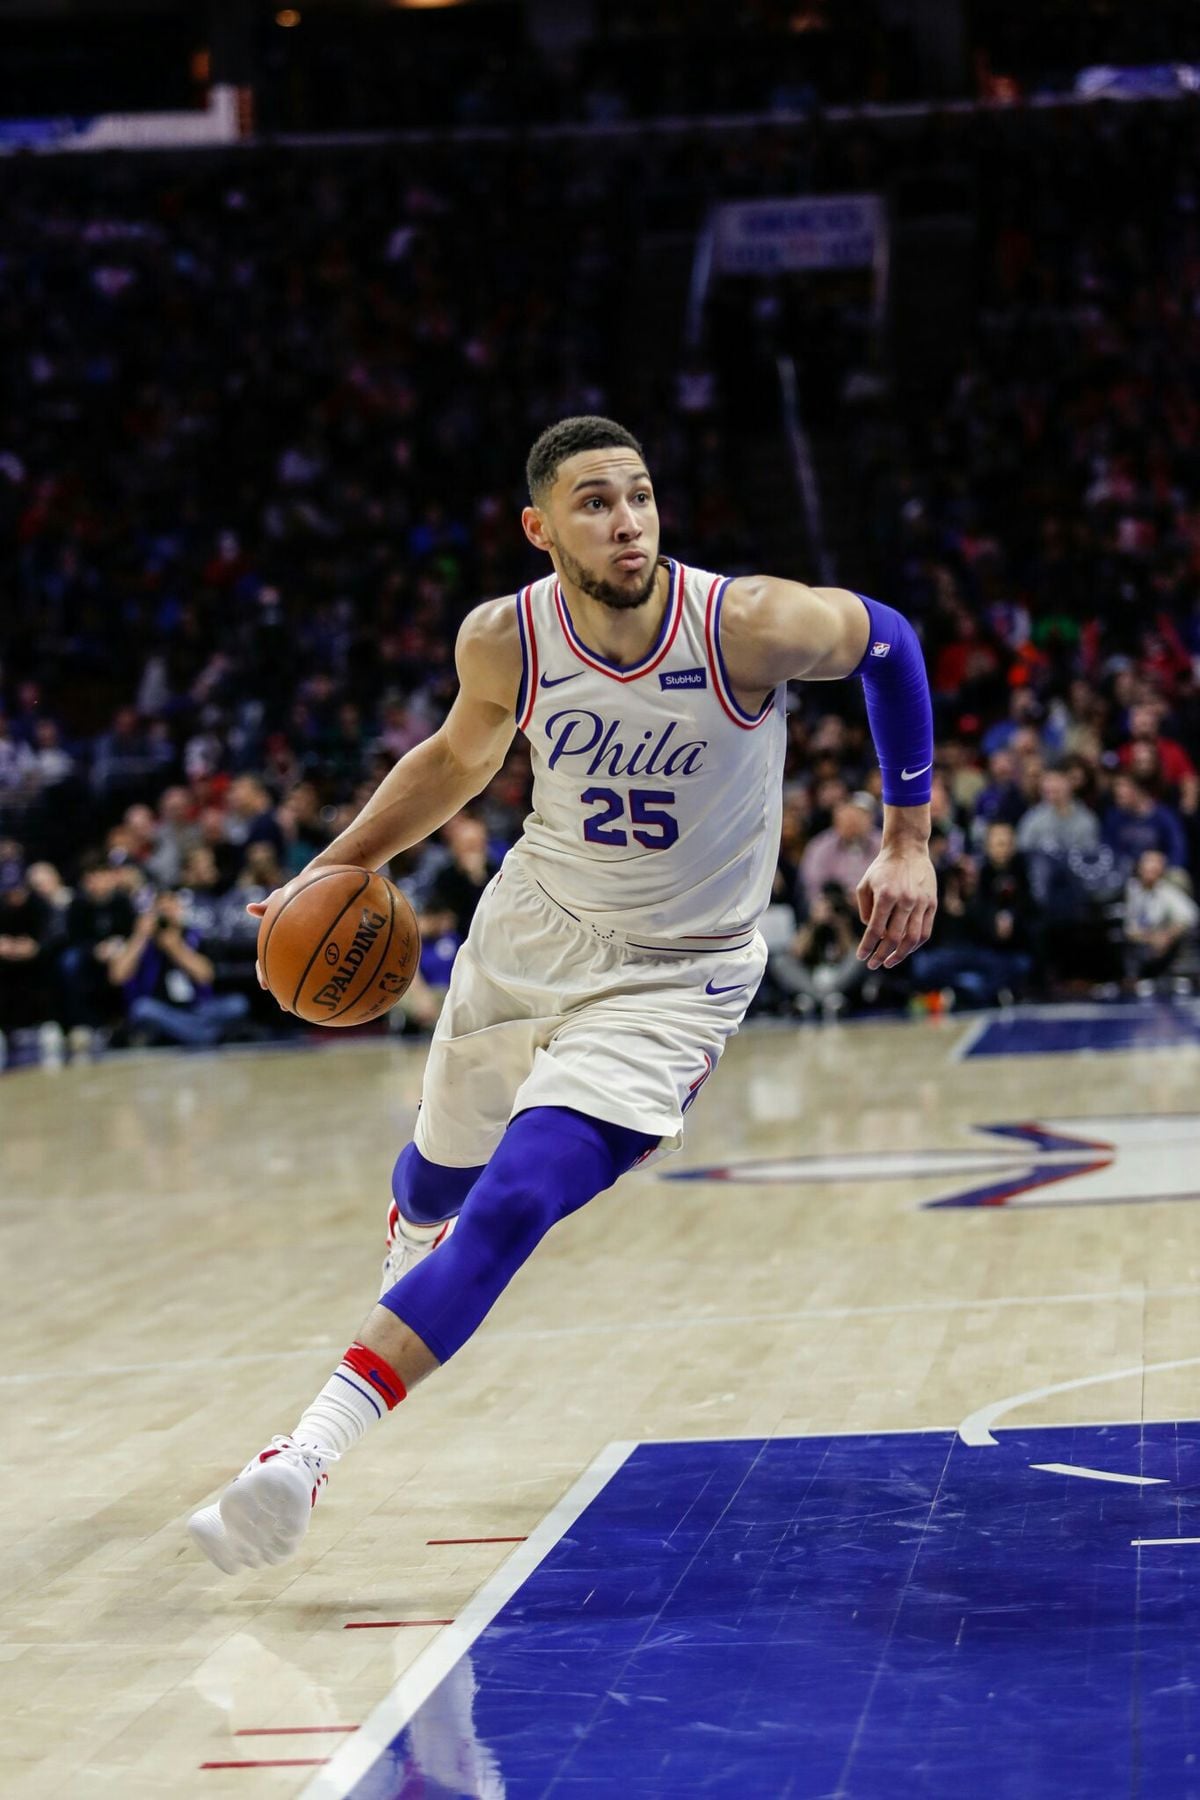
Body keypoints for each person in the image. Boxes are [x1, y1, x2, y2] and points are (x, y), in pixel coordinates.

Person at [188, 414, 937, 1574]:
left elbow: (887, 641)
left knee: (514, 1200)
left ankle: (302, 1455)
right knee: (438, 1177)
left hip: (675, 978)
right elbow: (455, 760)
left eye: (638, 495)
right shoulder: (504, 639)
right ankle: (410, 1234)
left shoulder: (745, 623)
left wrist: (907, 837)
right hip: (533, 932)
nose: (627, 519)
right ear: (540, 528)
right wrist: (336, 869)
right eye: (595, 501)